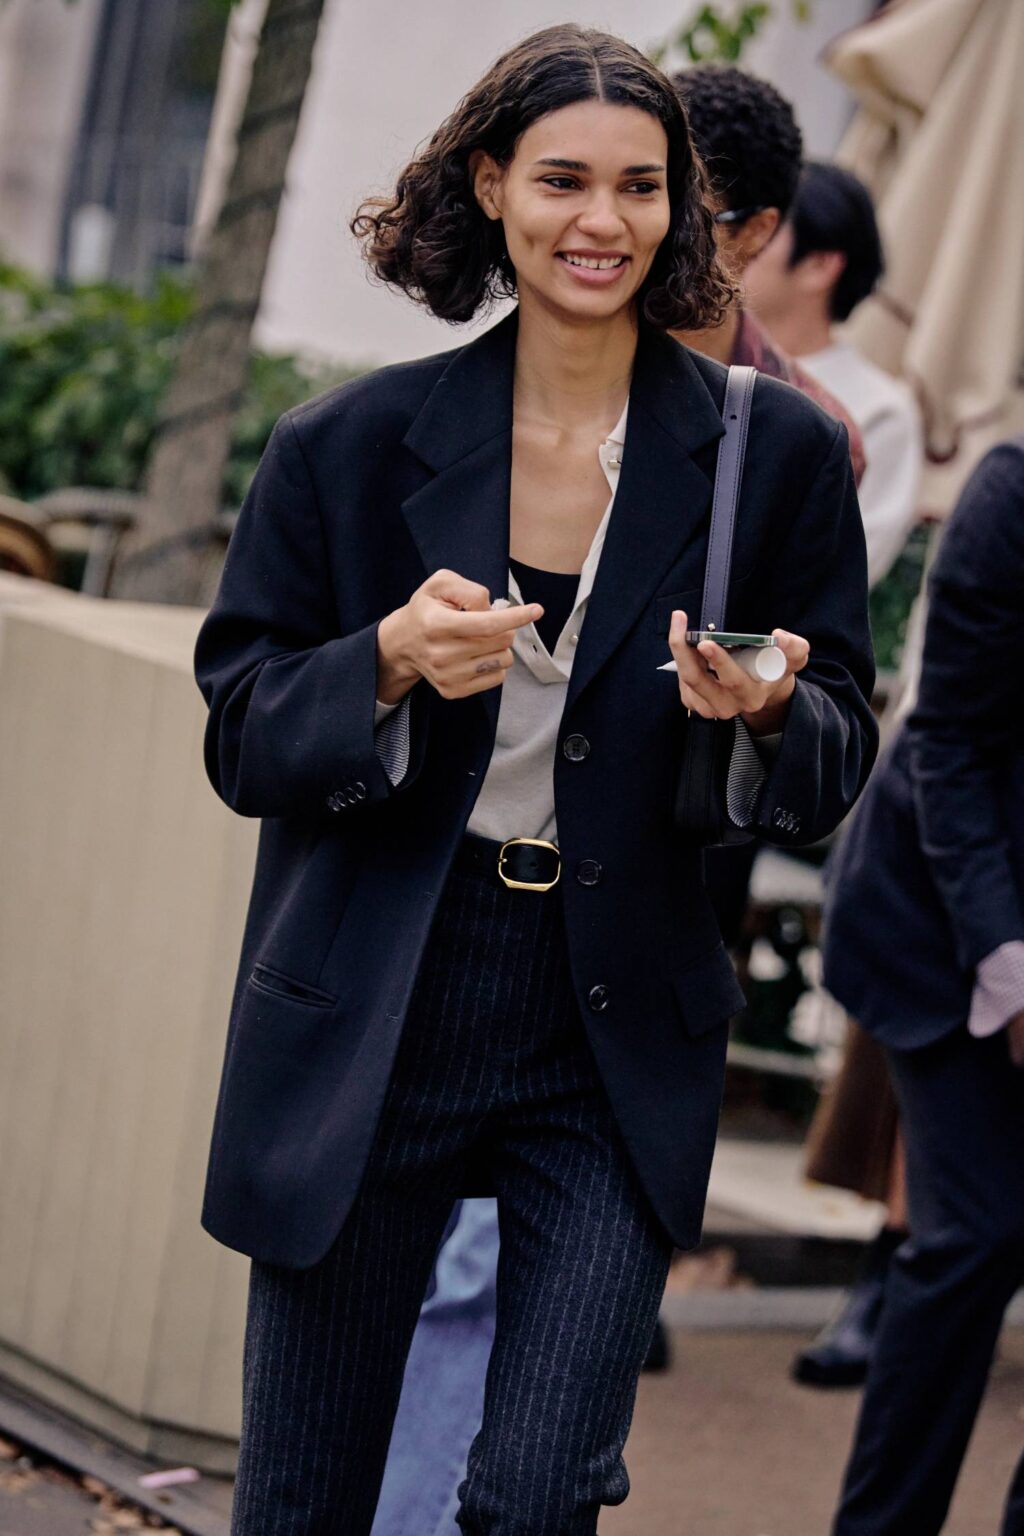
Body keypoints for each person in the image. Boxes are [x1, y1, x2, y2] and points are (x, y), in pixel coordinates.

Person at [195, 26, 877, 1534]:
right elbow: (241, 730)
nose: (603, 220)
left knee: (535, 1493)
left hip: (617, 1011)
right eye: (564, 178)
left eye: (643, 188)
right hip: (386, 988)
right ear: (491, 183)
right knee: (303, 1499)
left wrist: (770, 710)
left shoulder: (779, 463)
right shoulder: (348, 449)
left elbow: (838, 748)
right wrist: (377, 660)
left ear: (684, 212)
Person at [743, 158, 924, 1390]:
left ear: (819, 260)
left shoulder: (872, 408)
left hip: (787, 698)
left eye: (763, 228)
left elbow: (836, 568)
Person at [822, 439, 1024, 1536]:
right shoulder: (1014, 489)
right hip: (944, 919)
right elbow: (947, 746)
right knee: (976, 1234)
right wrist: (1013, 967)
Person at [746, 160, 922, 585]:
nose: (736, 243)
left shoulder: (881, 411)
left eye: (764, 229)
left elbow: (850, 571)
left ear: (819, 264)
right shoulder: (687, 365)